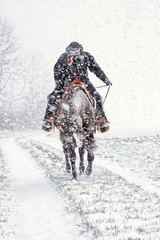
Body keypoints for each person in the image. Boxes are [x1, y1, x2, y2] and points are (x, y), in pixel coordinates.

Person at [42, 41, 112, 133]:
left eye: (77, 52)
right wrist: (59, 83)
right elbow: (56, 71)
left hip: (84, 82)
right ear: (68, 51)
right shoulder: (63, 58)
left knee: (97, 97)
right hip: (66, 83)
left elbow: (96, 69)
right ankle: (49, 119)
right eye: (72, 52)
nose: (75, 54)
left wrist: (105, 79)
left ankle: (100, 119)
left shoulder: (87, 57)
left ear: (81, 51)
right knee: (52, 97)